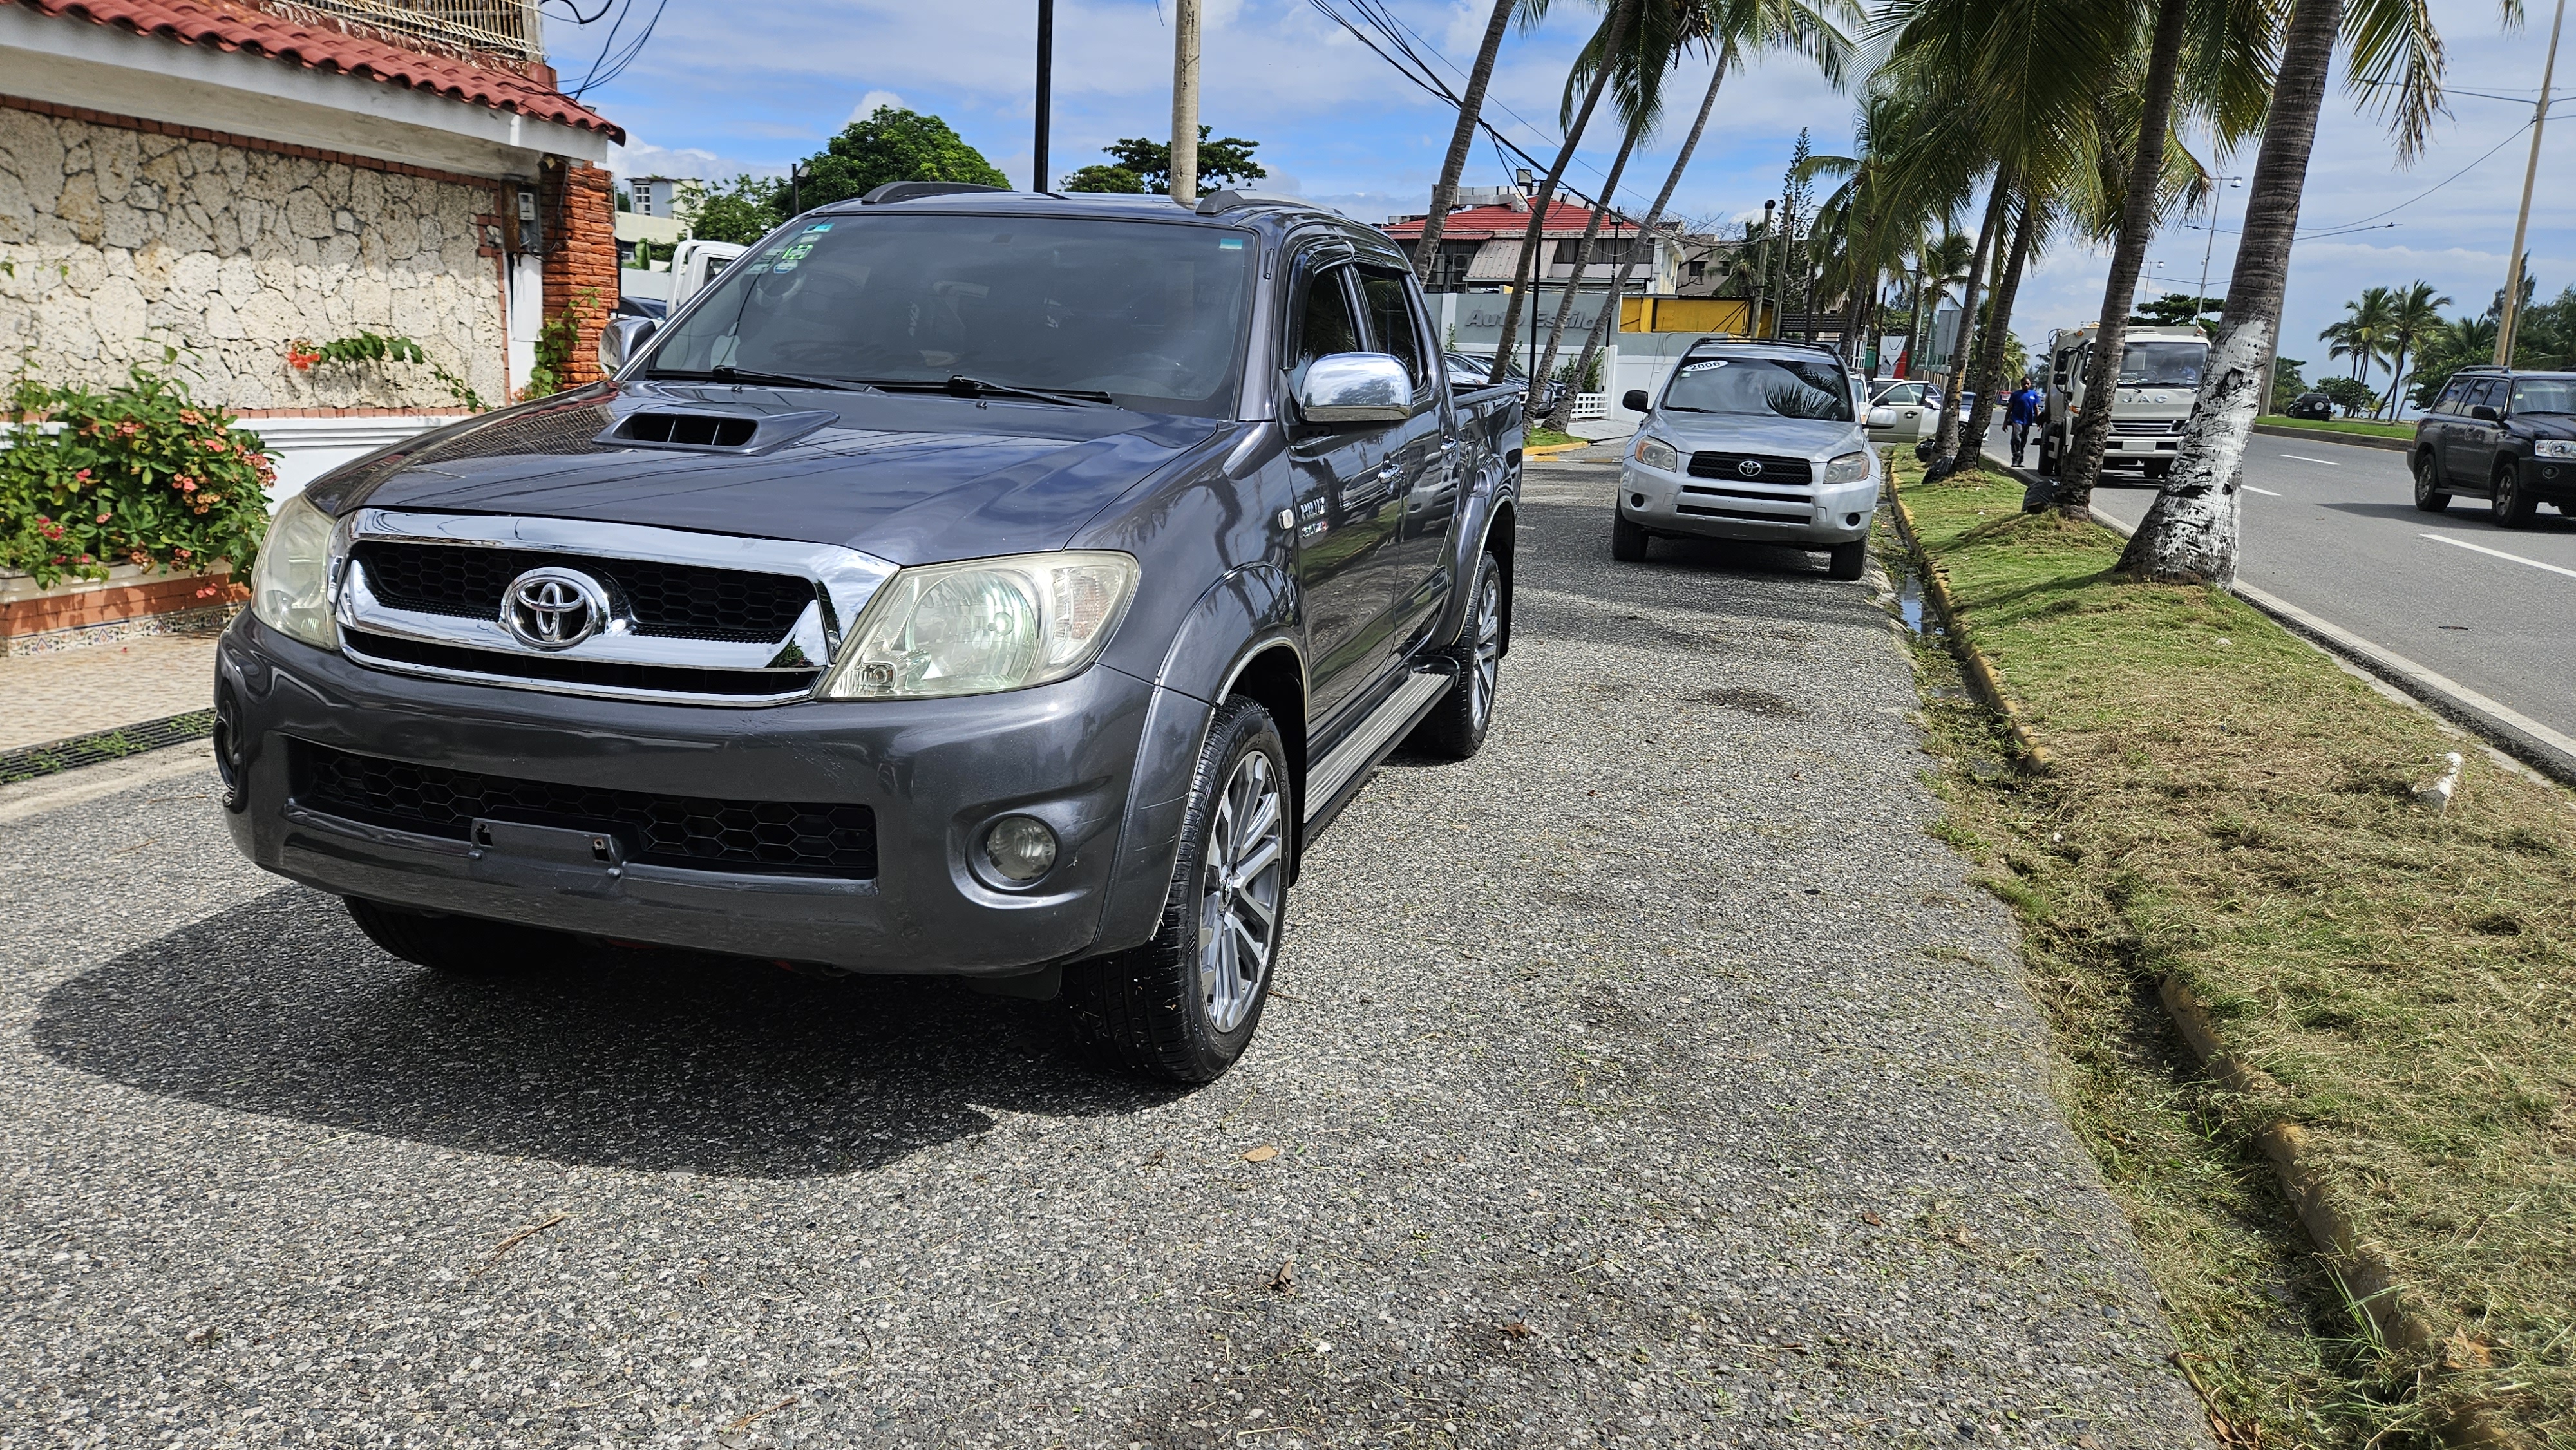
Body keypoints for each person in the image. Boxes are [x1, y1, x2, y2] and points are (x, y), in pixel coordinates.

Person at [2007, 377, 2044, 466]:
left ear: (2030, 384)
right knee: (2016, 437)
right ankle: (2016, 457)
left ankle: (2020, 460)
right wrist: (2005, 422)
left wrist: (2039, 422)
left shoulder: (2033, 394)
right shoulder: (2016, 394)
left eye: (2028, 383)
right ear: (2021, 384)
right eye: (2024, 384)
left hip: (2027, 421)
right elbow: (2010, 408)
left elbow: (2036, 408)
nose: (2026, 385)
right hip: (2016, 419)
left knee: (2023, 441)